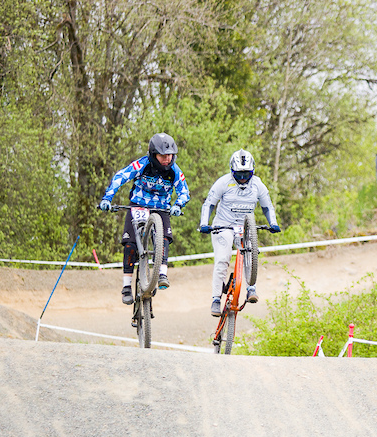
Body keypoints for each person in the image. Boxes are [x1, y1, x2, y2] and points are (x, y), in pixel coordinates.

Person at [99, 132, 189, 304]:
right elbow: (121, 177)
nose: (167, 159)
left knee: (164, 238)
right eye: (163, 156)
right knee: (130, 244)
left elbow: (184, 191)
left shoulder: (174, 171)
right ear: (153, 154)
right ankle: (126, 286)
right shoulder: (142, 164)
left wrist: (178, 204)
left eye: (169, 155)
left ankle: (162, 273)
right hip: (138, 205)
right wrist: (107, 198)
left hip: (161, 207)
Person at [198, 150, 281, 316]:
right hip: (223, 225)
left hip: (245, 227)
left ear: (253, 172)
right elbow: (209, 204)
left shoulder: (258, 184)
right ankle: (215, 298)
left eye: (246, 174)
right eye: (239, 174)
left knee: (251, 252)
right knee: (223, 258)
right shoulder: (223, 182)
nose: (243, 178)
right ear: (232, 171)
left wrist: (273, 223)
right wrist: (204, 224)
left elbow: (267, 207)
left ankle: (251, 288)